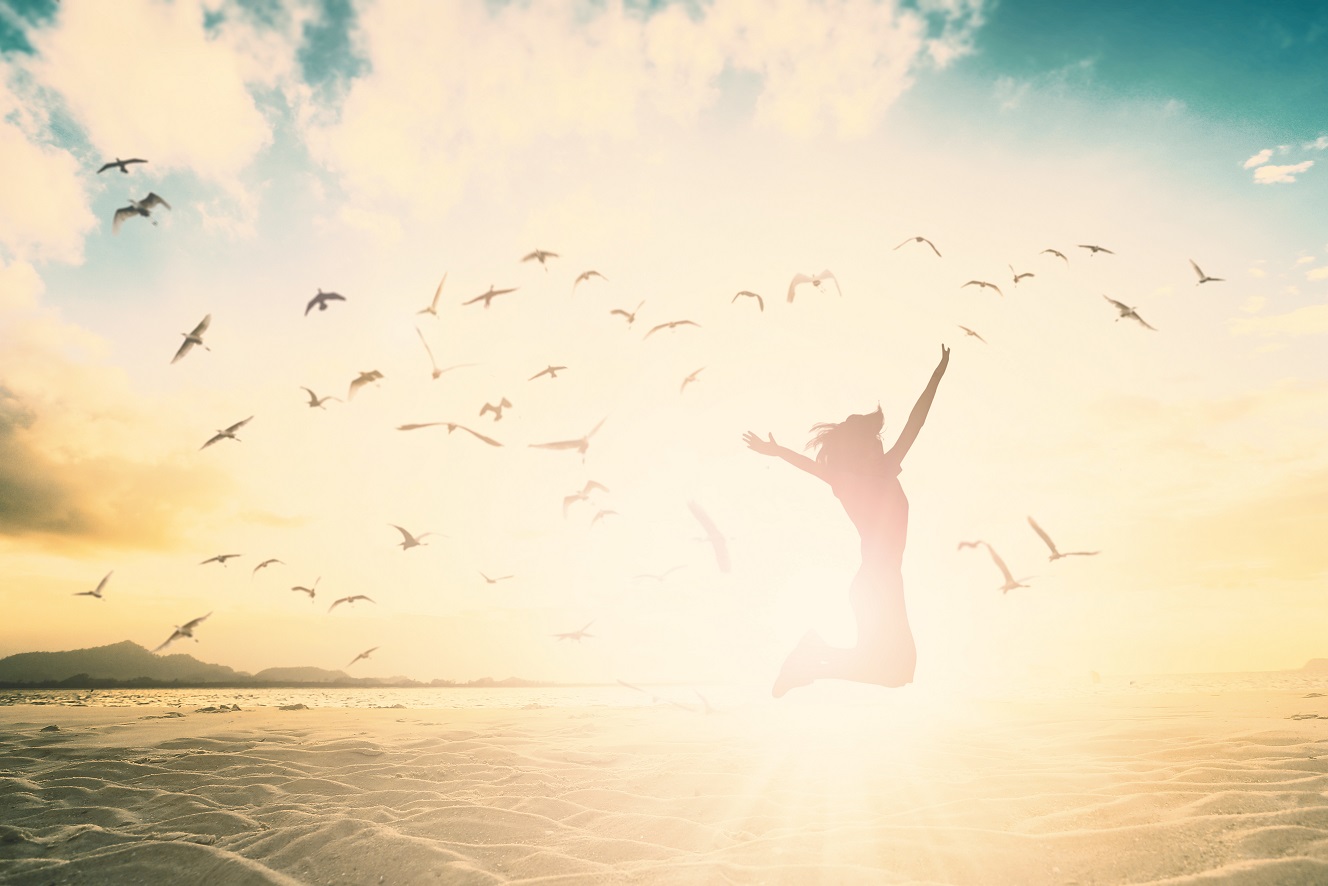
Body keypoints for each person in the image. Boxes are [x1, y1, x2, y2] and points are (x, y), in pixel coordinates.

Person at [743, 344, 950, 697]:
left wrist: (937, 376)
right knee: (894, 670)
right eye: (872, 442)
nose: (880, 446)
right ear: (860, 449)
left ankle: (813, 656)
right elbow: (915, 424)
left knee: (896, 672)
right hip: (876, 583)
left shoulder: (869, 473)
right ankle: (812, 655)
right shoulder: (862, 477)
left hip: (879, 582)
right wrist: (777, 453)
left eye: (877, 441)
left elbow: (916, 422)